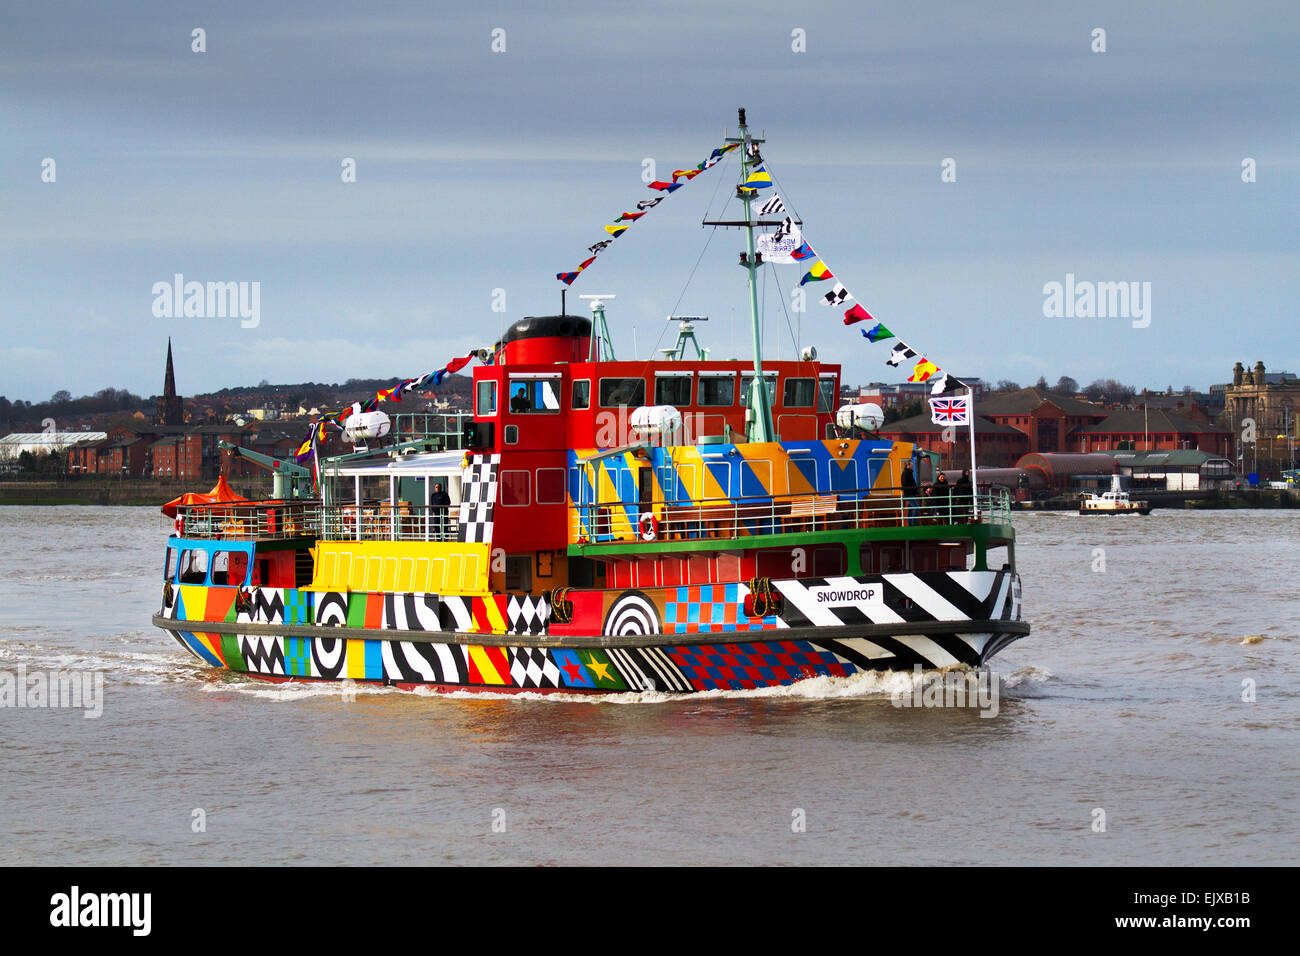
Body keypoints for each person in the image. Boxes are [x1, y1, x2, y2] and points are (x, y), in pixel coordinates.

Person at [900, 460, 919, 526]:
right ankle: (913, 523)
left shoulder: (909, 473)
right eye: (911, 465)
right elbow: (904, 484)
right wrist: (913, 488)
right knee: (916, 507)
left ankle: (910, 523)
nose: (912, 466)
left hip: (910, 493)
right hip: (909, 493)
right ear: (908, 465)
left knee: (910, 509)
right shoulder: (906, 473)